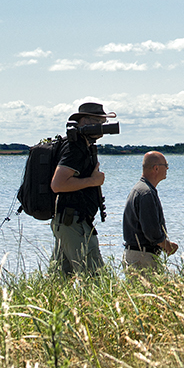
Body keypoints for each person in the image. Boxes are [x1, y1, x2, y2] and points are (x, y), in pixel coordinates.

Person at [49, 102, 112, 278]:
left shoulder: (79, 145)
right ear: (84, 121)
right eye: (99, 122)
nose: (103, 128)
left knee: (61, 281)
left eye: (103, 123)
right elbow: (58, 184)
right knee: (94, 279)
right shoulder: (74, 147)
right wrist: (93, 181)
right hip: (73, 222)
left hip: (69, 221)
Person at [122, 152, 179, 273]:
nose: (167, 168)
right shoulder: (146, 193)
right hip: (142, 257)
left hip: (136, 254)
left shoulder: (141, 189)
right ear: (156, 168)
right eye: (166, 165)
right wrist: (167, 246)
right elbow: (151, 232)